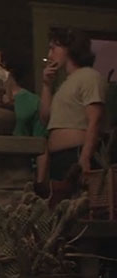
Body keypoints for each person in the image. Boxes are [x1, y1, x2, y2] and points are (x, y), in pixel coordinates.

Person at [39, 28, 106, 181]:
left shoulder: (89, 76)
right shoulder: (64, 85)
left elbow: (95, 120)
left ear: (68, 47)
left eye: (53, 48)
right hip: (57, 157)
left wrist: (85, 157)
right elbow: (45, 118)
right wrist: (47, 85)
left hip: (76, 154)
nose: (49, 55)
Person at [0, 47, 49, 181]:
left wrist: (40, 182)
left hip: (22, 171)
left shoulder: (32, 101)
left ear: (8, 68)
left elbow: (41, 144)